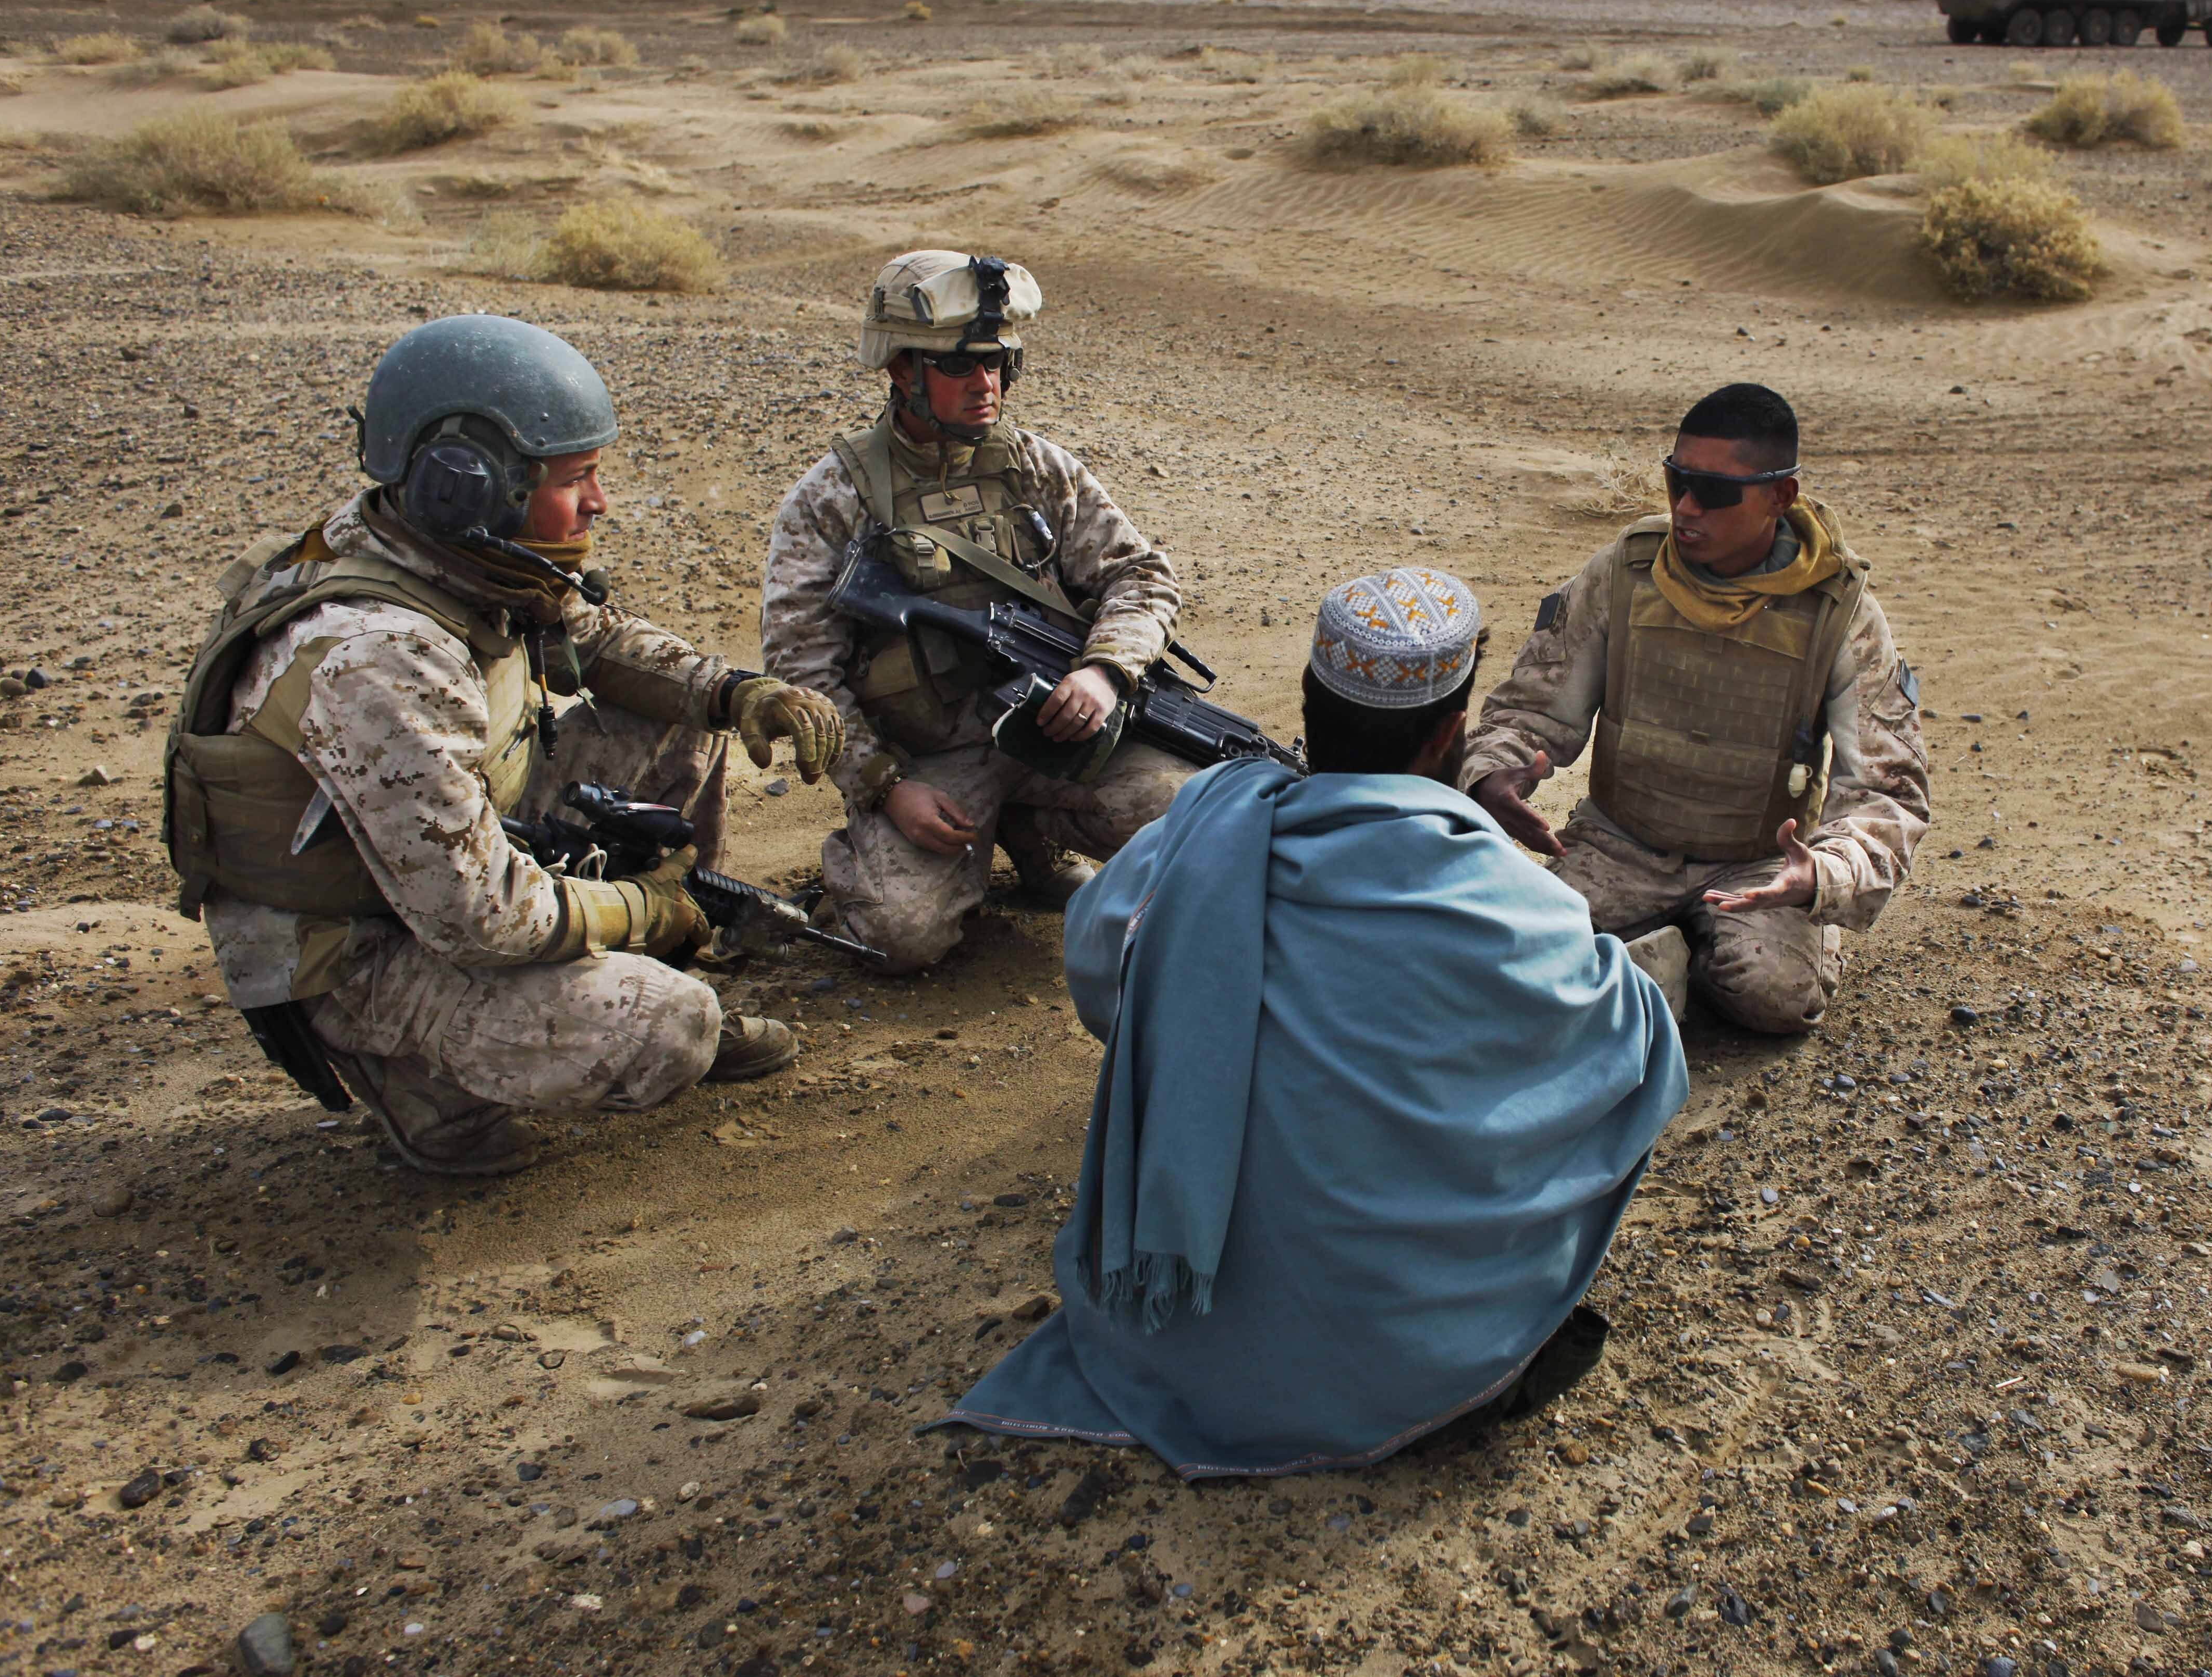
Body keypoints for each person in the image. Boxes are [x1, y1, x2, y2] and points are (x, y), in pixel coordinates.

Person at [941, 569, 1687, 1478]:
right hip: (1407, 1362)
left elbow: (1103, 979)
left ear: (1308, 698)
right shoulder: (1516, 904)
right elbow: (1624, 1054)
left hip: (1172, 1326)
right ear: (1450, 733)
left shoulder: (1193, 837)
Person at [166, 315, 844, 1175]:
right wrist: (645, 903)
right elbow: (481, 917)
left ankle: (629, 949)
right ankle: (423, 1086)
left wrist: (735, 691)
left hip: (440, 846)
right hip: (351, 939)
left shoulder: (447, 547)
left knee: (679, 716)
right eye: (578, 478)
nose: (599, 501)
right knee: (672, 1028)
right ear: (473, 485)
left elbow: (595, 641)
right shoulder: (378, 657)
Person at [761, 250, 1187, 972]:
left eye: (997, 362)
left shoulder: (1039, 469)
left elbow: (1141, 576)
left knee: (1196, 821)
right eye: (959, 367)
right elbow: (800, 667)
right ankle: (884, 856)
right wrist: (885, 788)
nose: (986, 385)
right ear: (902, 371)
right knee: (901, 937)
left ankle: (1028, 827)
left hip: (1055, 730)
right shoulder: (835, 496)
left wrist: (1105, 673)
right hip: (931, 760)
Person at [1460, 383, 1928, 1034]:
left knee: (1774, 998)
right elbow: (1531, 710)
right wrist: (1494, 772)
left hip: (1759, 862)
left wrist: (1822, 873)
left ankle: (1684, 956)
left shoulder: (1842, 616)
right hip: (1622, 844)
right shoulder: (1625, 572)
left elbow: (1887, 794)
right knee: (1511, 967)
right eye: (1677, 480)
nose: (1686, 507)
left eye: (1713, 491)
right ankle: (1656, 956)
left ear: (1781, 496)